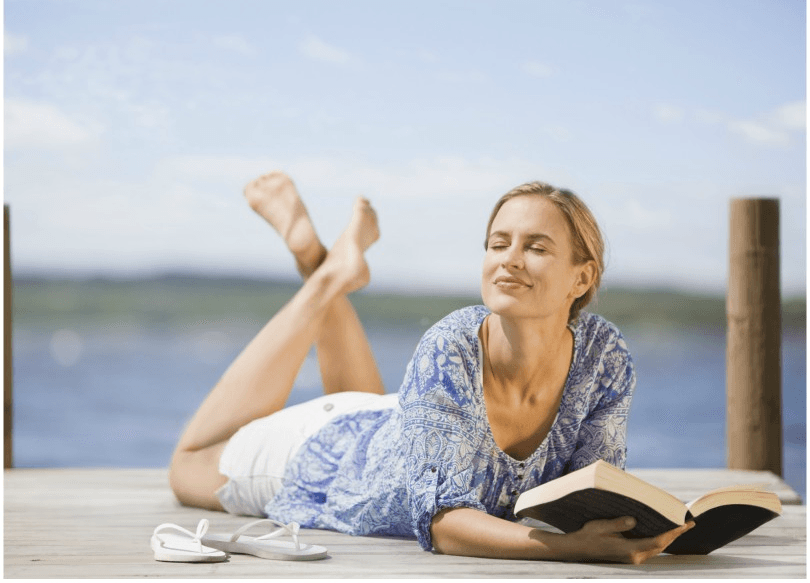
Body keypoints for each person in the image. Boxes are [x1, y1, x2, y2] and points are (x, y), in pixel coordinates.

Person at [169, 171, 694, 564]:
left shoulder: (604, 356)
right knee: (187, 467)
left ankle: (321, 259)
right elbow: (443, 525)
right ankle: (328, 276)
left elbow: (590, 488)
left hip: (394, 432)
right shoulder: (451, 345)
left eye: (535, 247)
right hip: (324, 454)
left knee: (375, 417)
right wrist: (568, 550)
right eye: (498, 243)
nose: (510, 258)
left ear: (581, 279)